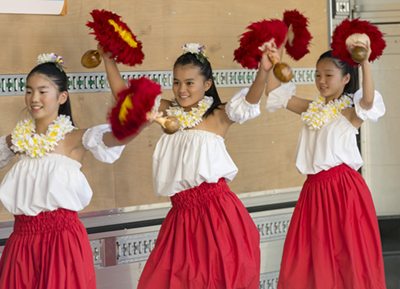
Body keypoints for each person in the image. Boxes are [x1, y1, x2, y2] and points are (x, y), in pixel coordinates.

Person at [102, 42, 278, 289]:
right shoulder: (166, 112)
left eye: (189, 83)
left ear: (207, 85)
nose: (181, 90)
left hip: (217, 215)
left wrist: (264, 71)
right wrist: (108, 59)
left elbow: (249, 101)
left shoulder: (218, 115)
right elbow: (126, 98)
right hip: (180, 217)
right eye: (176, 82)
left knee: (216, 281)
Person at [0, 53, 150, 289]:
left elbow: (113, 139)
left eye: (42, 91)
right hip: (21, 243)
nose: (34, 98)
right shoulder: (17, 141)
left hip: (61, 242)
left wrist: (137, 125)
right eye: (29, 91)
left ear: (62, 97)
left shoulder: (75, 138)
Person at [265, 42, 387, 288]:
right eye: (317, 75)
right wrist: (272, 64)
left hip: (343, 190)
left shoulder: (350, 111)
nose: (321, 81)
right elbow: (275, 93)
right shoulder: (312, 108)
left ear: (346, 79)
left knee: (347, 256)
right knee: (309, 258)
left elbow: (369, 99)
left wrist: (364, 61)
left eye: (328, 75)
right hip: (313, 191)